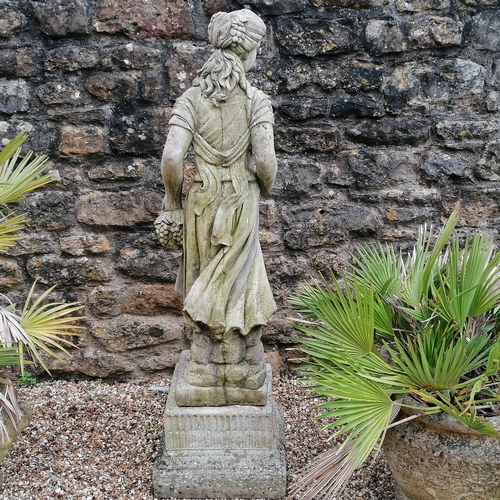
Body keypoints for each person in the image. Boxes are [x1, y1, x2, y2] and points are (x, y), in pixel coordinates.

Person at [159, 9, 277, 402]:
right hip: (240, 200)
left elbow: (173, 158)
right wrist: (263, 183)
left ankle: (202, 369)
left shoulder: (191, 99)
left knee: (202, 278)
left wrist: (172, 200)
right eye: (257, 48)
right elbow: (265, 161)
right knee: (240, 283)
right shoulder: (255, 101)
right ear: (247, 50)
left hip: (202, 201)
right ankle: (242, 369)